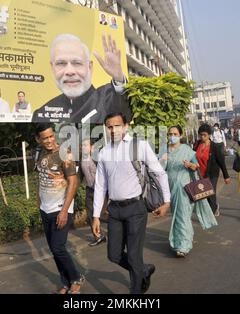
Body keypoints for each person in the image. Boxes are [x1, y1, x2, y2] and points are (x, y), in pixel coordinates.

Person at [92, 112, 171, 294]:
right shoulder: (104, 152)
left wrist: (166, 201)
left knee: (134, 256)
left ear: (126, 126)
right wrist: (96, 215)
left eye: (117, 125)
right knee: (114, 255)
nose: (113, 130)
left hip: (136, 208)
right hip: (115, 211)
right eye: (109, 127)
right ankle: (143, 271)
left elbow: (159, 173)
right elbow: (100, 185)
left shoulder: (140, 146)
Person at [32, 34, 132, 124]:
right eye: (61, 63)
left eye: (77, 63)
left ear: (90, 67)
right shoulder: (41, 114)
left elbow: (126, 114)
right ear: (52, 68)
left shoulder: (108, 97)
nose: (69, 71)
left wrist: (118, 78)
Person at [35, 123, 85, 294]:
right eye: (45, 138)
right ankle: (66, 281)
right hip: (45, 208)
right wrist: (38, 200)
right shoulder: (40, 153)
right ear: (38, 140)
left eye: (51, 136)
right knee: (53, 249)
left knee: (58, 247)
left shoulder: (64, 154)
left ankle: (76, 277)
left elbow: (73, 182)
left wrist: (64, 210)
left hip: (60, 208)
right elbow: (41, 177)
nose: (49, 140)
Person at [161, 126, 218, 257]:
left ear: (180, 135)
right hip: (170, 188)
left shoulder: (187, 150)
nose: (172, 136)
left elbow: (196, 165)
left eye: (175, 134)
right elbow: (159, 168)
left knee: (182, 216)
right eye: (170, 134)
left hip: (185, 188)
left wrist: (191, 165)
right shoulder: (165, 150)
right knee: (177, 216)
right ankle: (180, 240)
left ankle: (183, 246)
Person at [194, 124, 231, 217]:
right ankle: (209, 208)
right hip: (200, 173)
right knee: (203, 193)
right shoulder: (197, 144)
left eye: (204, 135)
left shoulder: (215, 147)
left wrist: (226, 176)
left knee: (211, 191)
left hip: (212, 173)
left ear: (209, 135)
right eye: (200, 135)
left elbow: (221, 162)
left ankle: (214, 209)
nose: (202, 137)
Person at [80, 138, 107, 246]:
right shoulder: (81, 159)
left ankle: (120, 228)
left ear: (92, 147)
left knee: (101, 213)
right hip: (90, 189)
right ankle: (98, 236)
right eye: (82, 145)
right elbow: (80, 174)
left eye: (86, 145)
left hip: (101, 190)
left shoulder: (97, 158)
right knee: (91, 214)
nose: (83, 147)